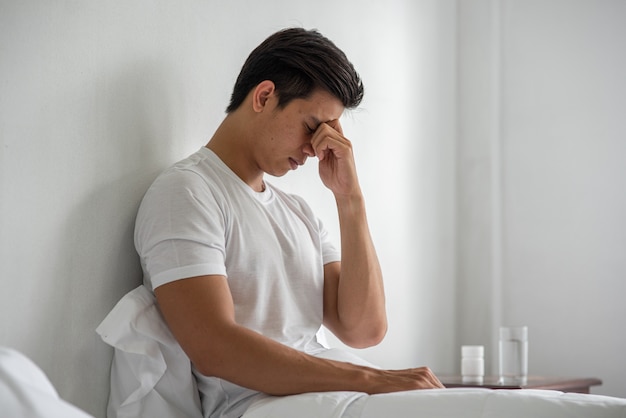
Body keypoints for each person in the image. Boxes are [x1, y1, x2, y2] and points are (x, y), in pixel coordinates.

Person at [134, 27, 443, 418]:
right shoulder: (187, 192)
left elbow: (363, 330)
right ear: (264, 96)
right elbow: (213, 346)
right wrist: (368, 378)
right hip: (261, 406)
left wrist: (350, 199)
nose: (316, 149)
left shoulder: (299, 213)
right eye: (313, 127)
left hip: (332, 398)